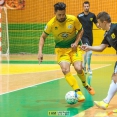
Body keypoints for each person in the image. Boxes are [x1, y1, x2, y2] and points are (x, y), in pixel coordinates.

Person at [38, 2, 95, 102]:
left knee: (79, 68)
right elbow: (43, 37)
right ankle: (78, 92)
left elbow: (81, 30)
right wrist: (40, 52)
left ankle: (85, 84)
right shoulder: (51, 24)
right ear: (55, 13)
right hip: (61, 50)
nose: (61, 16)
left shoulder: (73, 19)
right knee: (65, 70)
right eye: (59, 15)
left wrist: (76, 42)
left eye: (63, 14)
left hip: (74, 49)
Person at [80, 12, 117, 112]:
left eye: (99, 23)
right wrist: (88, 47)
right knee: (115, 79)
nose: (98, 25)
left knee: (116, 77)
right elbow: (101, 48)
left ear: (104, 22)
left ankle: (106, 101)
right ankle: (105, 102)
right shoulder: (107, 34)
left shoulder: (116, 27)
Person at [77, 1, 99, 74]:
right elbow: (76, 25)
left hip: (90, 36)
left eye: (87, 6)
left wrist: (102, 25)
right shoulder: (79, 16)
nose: (86, 8)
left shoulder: (92, 15)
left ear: (89, 6)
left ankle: (84, 65)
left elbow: (97, 24)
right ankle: (88, 68)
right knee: (89, 52)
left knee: (87, 52)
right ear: (83, 7)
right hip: (83, 36)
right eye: (85, 6)